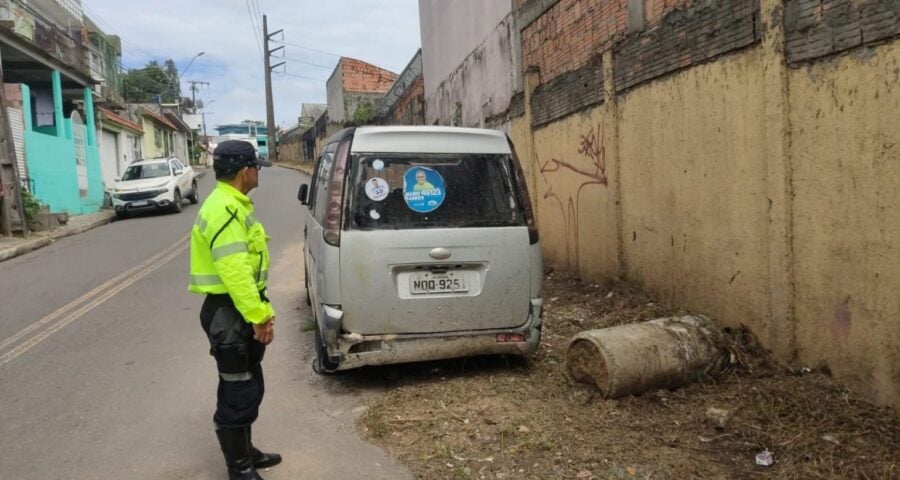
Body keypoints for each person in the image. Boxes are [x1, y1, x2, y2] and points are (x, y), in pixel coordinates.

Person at [188, 140, 280, 480]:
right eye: (256, 166)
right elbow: (236, 272)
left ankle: (247, 453)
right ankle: (239, 469)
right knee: (238, 390)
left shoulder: (235, 204)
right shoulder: (224, 210)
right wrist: (259, 317)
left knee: (248, 382)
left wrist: (260, 311)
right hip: (230, 313)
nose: (258, 172)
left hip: (238, 308)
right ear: (245, 171)